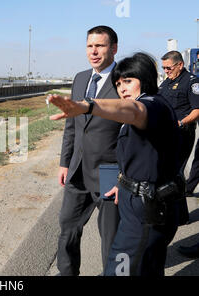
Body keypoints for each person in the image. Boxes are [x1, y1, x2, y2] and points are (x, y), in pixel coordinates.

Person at [48, 52, 189, 276]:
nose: (122, 88)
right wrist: (123, 182)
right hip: (139, 200)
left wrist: (88, 106)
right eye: (119, 83)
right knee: (148, 268)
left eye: (129, 81)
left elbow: (133, 112)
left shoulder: (151, 105)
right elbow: (140, 155)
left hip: (146, 211)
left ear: (145, 79)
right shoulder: (145, 103)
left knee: (120, 270)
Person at [55, 25, 121, 276]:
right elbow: (71, 125)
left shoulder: (124, 80)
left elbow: (134, 132)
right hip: (77, 170)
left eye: (100, 46)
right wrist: (64, 162)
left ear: (114, 48)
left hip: (109, 171)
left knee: (110, 237)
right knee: (67, 228)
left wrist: (123, 173)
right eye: (90, 46)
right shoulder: (81, 78)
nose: (94, 52)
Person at [158, 51, 199, 184]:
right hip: (164, 133)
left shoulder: (191, 82)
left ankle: (177, 202)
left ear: (180, 65)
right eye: (163, 68)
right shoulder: (166, 82)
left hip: (181, 134)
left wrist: (180, 123)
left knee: (175, 174)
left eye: (168, 68)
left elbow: (197, 110)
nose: (166, 71)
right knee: (163, 171)